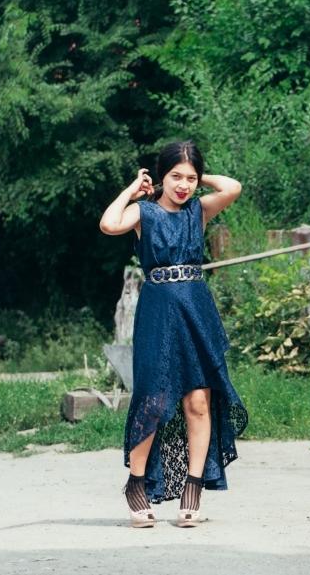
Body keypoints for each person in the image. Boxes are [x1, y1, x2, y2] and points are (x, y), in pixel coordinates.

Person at [98, 141, 249, 529]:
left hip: (196, 310)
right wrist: (133, 190)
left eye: (190, 179)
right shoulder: (144, 212)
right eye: (175, 177)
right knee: (153, 398)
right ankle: (136, 484)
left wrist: (199, 173)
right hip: (158, 312)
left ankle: (193, 488)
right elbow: (109, 224)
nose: (183, 185)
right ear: (161, 177)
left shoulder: (199, 210)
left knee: (198, 401)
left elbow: (232, 187)